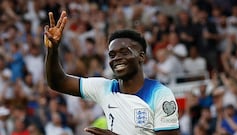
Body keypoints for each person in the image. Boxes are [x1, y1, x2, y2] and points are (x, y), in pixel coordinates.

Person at [44, 10, 180, 135]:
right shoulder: (105, 88)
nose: (117, 59)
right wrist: (52, 50)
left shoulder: (160, 94)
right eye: (112, 55)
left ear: (142, 56)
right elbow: (58, 82)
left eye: (124, 52)